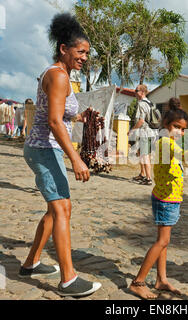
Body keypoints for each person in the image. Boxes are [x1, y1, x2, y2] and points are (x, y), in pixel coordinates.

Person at [21, 13, 101, 297]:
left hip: (44, 147)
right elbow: (54, 122)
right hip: (44, 148)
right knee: (61, 208)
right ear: (63, 49)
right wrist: (76, 159)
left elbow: (59, 115)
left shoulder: (59, 74)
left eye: (87, 53)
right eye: (80, 52)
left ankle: (31, 263)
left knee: (55, 209)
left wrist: (79, 117)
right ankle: (68, 279)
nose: (84, 58)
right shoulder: (57, 76)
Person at [129, 107, 188, 299]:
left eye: (183, 129)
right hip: (165, 201)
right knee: (162, 241)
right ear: (165, 126)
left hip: (169, 198)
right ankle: (138, 282)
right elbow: (185, 155)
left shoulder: (167, 144)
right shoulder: (166, 144)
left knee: (164, 242)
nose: (180, 132)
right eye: (176, 127)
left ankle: (161, 279)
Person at [128, 84, 155, 186]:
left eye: (136, 90)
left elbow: (141, 121)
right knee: (140, 153)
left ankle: (148, 178)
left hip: (145, 133)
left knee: (145, 155)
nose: (135, 92)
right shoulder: (150, 103)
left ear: (142, 92)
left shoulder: (141, 104)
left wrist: (131, 130)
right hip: (150, 132)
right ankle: (142, 174)